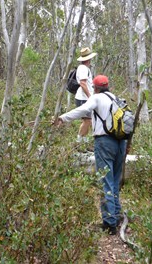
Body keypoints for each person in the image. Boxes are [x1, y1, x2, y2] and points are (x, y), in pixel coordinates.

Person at [55, 75, 126, 235]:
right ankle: (116, 215)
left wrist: (63, 118)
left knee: (105, 181)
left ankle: (109, 223)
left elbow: (83, 109)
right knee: (114, 180)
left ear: (95, 87)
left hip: (104, 142)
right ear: (107, 86)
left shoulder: (97, 98)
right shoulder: (116, 98)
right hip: (121, 142)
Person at [74, 47, 97, 152]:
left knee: (89, 121)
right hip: (83, 99)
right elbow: (82, 83)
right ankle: (79, 144)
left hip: (84, 98)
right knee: (87, 121)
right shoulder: (83, 68)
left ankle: (84, 144)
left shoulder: (84, 68)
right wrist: (90, 96)